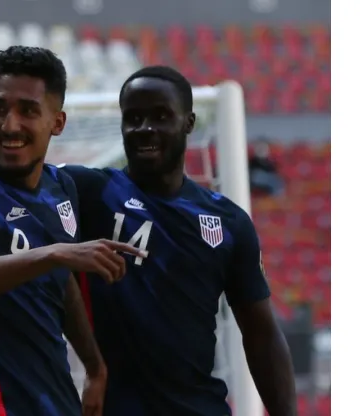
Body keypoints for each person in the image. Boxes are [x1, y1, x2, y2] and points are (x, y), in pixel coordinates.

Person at [61, 65, 297, 415]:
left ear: (189, 122)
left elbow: (261, 333)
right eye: (134, 118)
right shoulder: (87, 192)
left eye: (160, 116)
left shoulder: (228, 223)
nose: (145, 129)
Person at [0, 45, 144, 416]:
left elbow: (63, 283)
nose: (9, 125)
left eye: (27, 111)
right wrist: (55, 253)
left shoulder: (62, 188)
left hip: (54, 399)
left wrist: (95, 367)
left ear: (57, 122)